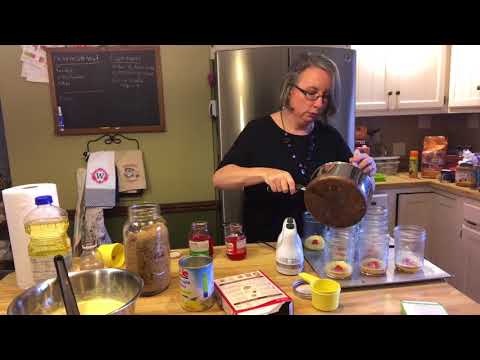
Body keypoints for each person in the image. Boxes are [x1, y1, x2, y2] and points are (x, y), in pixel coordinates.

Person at [212, 52, 377, 242]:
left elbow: (352, 192)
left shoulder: (329, 137)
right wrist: (265, 173)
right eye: (311, 93)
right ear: (290, 90)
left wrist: (365, 171)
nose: (319, 104)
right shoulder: (258, 131)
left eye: (325, 96)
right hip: (266, 247)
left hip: (318, 245)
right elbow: (220, 177)